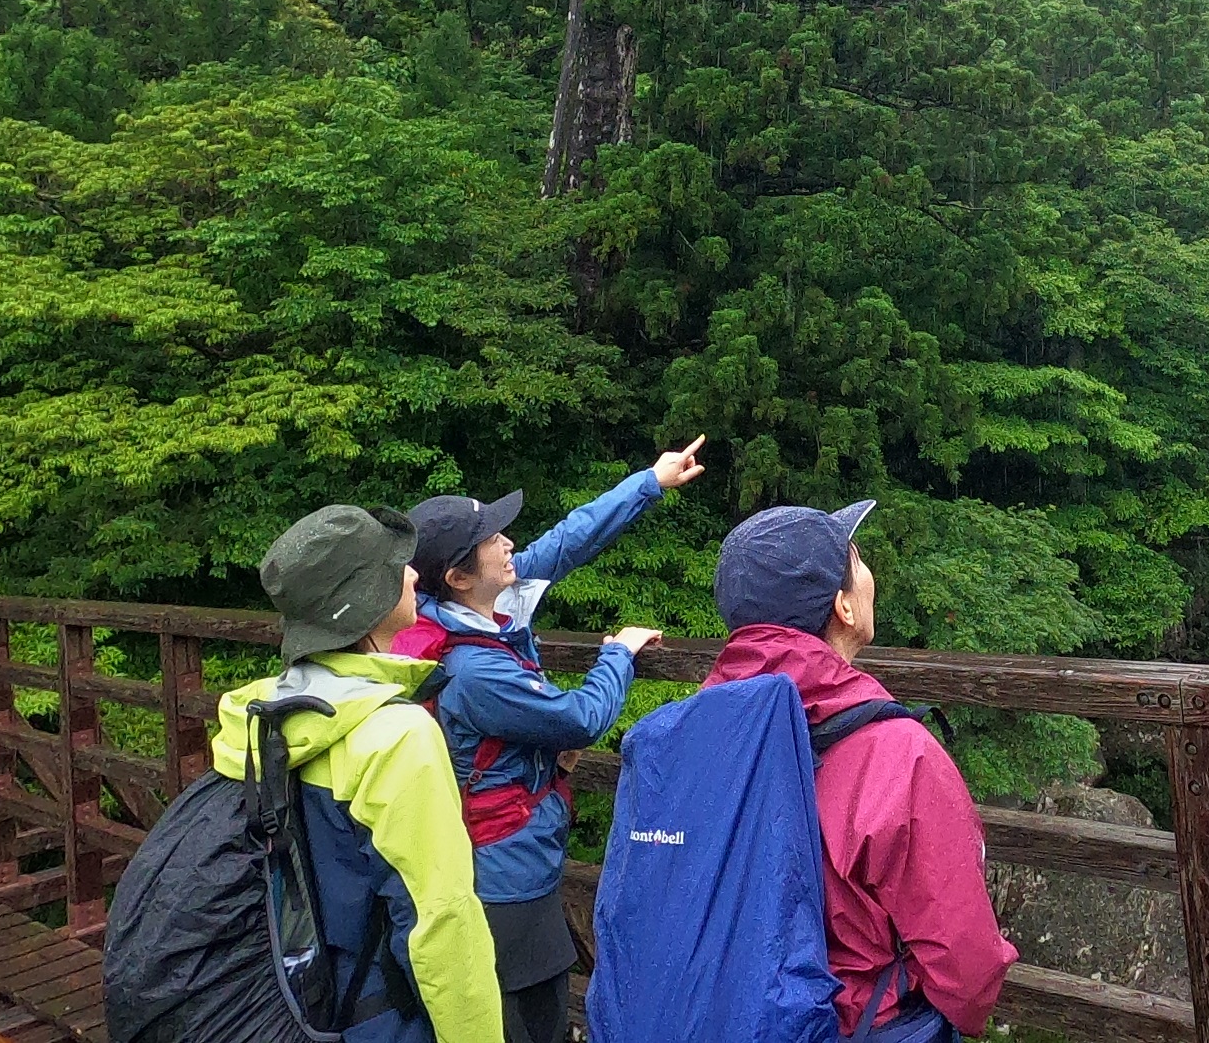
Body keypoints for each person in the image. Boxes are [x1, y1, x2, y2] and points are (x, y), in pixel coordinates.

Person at [112, 503, 503, 1043]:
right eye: (396, 568)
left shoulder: (266, 712)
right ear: (366, 600)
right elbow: (441, 924)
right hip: (380, 1018)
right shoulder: (395, 736)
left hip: (300, 1005)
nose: (414, 574)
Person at [390, 437, 706, 1043]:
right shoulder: (472, 667)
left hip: (513, 857)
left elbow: (566, 541)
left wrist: (650, 482)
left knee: (538, 1000)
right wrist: (617, 655)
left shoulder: (475, 606)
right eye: (492, 540)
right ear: (458, 576)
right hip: (499, 872)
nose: (508, 543)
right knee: (520, 1014)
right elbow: (579, 718)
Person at [702, 501, 1017, 1041]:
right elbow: (965, 965)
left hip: (724, 1016)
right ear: (843, 607)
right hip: (857, 1024)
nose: (869, 573)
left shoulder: (691, 735)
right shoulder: (898, 756)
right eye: (857, 559)